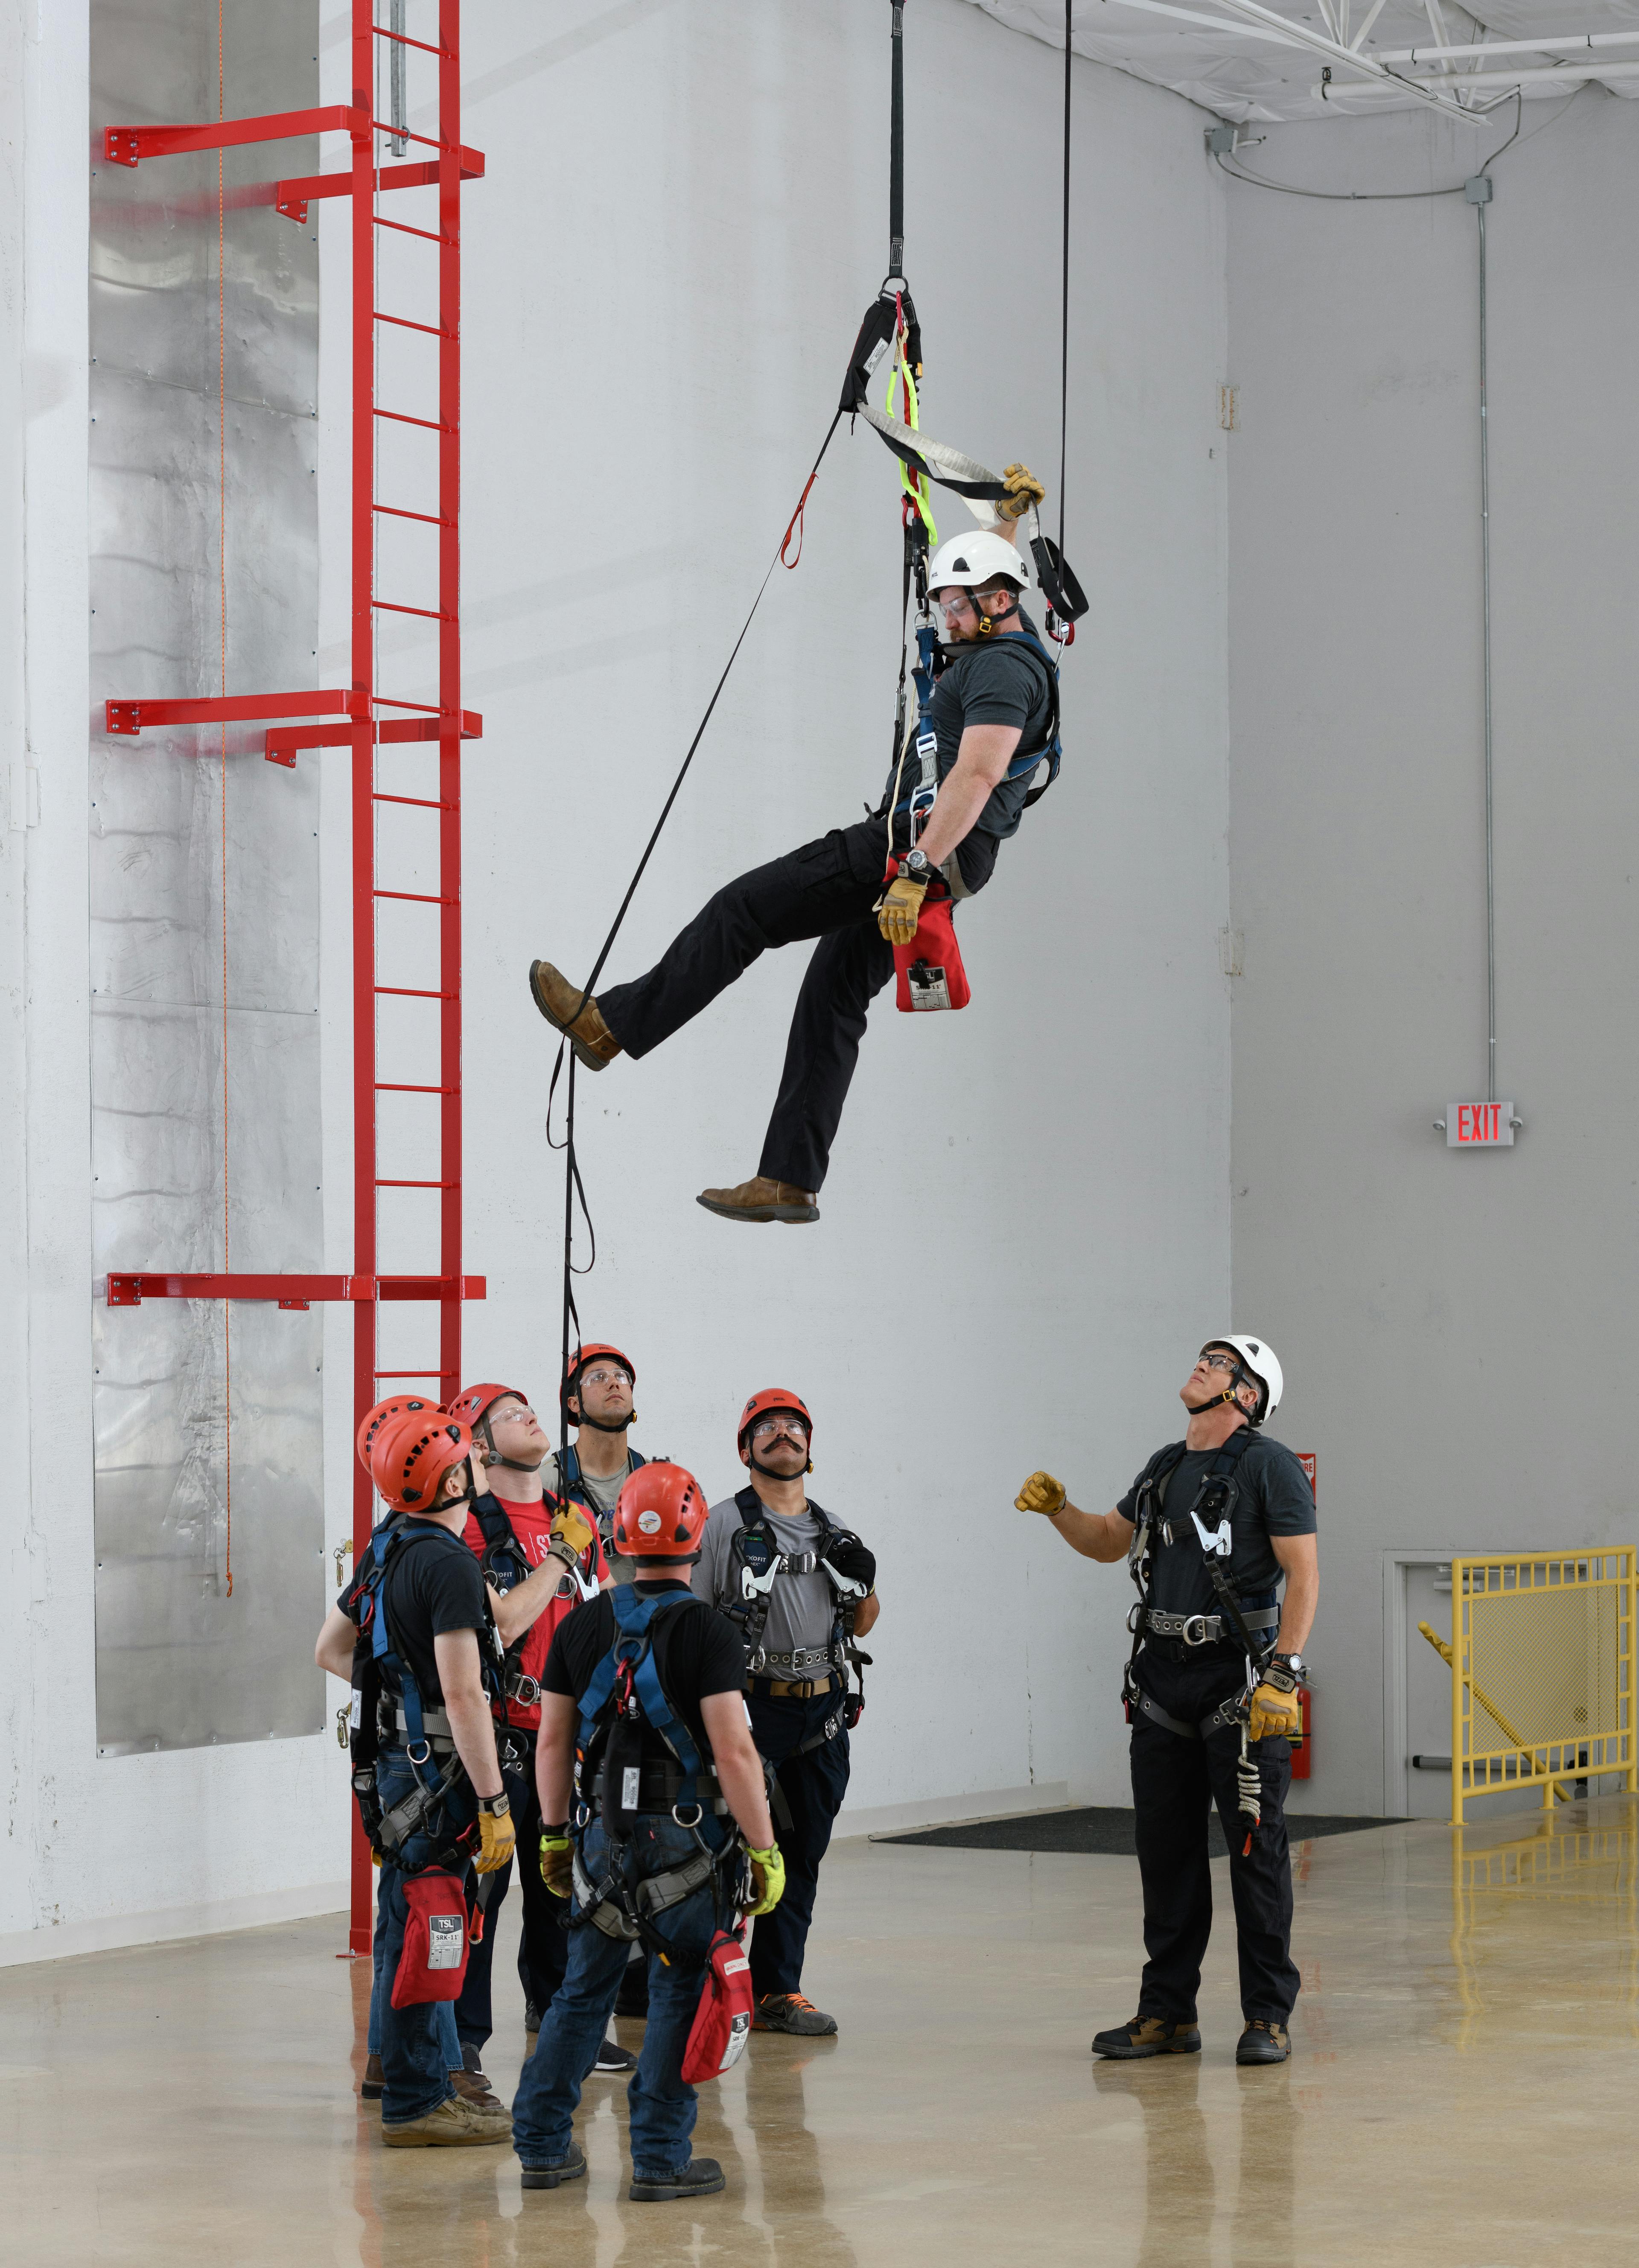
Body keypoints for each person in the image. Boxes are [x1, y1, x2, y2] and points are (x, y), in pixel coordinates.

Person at [528, 476, 1060, 1221]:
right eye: (943, 601)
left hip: (912, 849)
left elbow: (975, 776)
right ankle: (789, 1179)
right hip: (939, 859)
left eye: (954, 604)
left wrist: (911, 869)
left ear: (996, 605)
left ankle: (610, 1025)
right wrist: (1004, 522)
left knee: (745, 909)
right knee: (832, 997)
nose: (943, 614)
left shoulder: (1003, 667)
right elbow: (987, 579)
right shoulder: (1005, 641)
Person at [1014, 1337, 1319, 2067]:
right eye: (1206, 1356)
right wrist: (1061, 1510)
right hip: (1161, 1681)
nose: (1203, 1364)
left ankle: (1268, 2014)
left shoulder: (1268, 1465)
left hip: (1239, 1685)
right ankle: (1168, 2013)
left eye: (1221, 1362)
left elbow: (1303, 1572)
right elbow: (1108, 1541)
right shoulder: (1164, 1466)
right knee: (1166, 1855)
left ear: (1247, 1394)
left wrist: (1285, 1673)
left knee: (1254, 1848)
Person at [510, 1462, 787, 2203]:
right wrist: (764, 1848)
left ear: (620, 1536)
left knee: (580, 1993)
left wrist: (556, 1838)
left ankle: (540, 2145)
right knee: (677, 1993)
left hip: (602, 1839)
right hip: (688, 1844)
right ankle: (660, 2159)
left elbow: (552, 1745)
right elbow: (734, 1752)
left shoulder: (582, 1622)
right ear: (696, 1537)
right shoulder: (707, 1628)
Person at [314, 1408, 518, 2145]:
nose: (482, 1461)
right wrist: (493, 1799)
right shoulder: (452, 1564)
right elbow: (466, 1694)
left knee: (404, 1922)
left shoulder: (388, 1545)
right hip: (443, 1780)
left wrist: (402, 1698)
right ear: (455, 1477)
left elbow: (331, 1649)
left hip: (400, 1773)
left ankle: (388, 2069)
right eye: (472, 1454)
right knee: (436, 1927)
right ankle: (420, 2101)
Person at [445, 1382, 635, 2088]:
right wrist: (558, 1557)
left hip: (571, 1737)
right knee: (484, 1898)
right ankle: (462, 2041)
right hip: (501, 1738)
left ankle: (563, 2024)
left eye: (529, 1405)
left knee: (565, 1890)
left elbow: (612, 1607)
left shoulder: (574, 1512)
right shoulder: (470, 1523)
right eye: (507, 1412)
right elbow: (499, 1623)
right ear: (481, 1442)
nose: (529, 1414)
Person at [692, 1389, 879, 2035]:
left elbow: (864, 1621)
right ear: (746, 1451)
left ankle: (779, 1987)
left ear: (810, 1449)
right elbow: (687, 1621)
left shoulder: (836, 1530)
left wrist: (864, 1585)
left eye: (795, 1426)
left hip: (821, 1713)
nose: (783, 1434)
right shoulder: (720, 1526)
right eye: (766, 1428)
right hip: (747, 1710)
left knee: (800, 1857)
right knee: (719, 1855)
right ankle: (705, 1983)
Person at [541, 1345, 659, 1588]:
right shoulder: (549, 1482)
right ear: (574, 1404)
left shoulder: (654, 1481)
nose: (614, 1383)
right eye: (598, 1378)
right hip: (577, 1621)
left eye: (621, 1377)